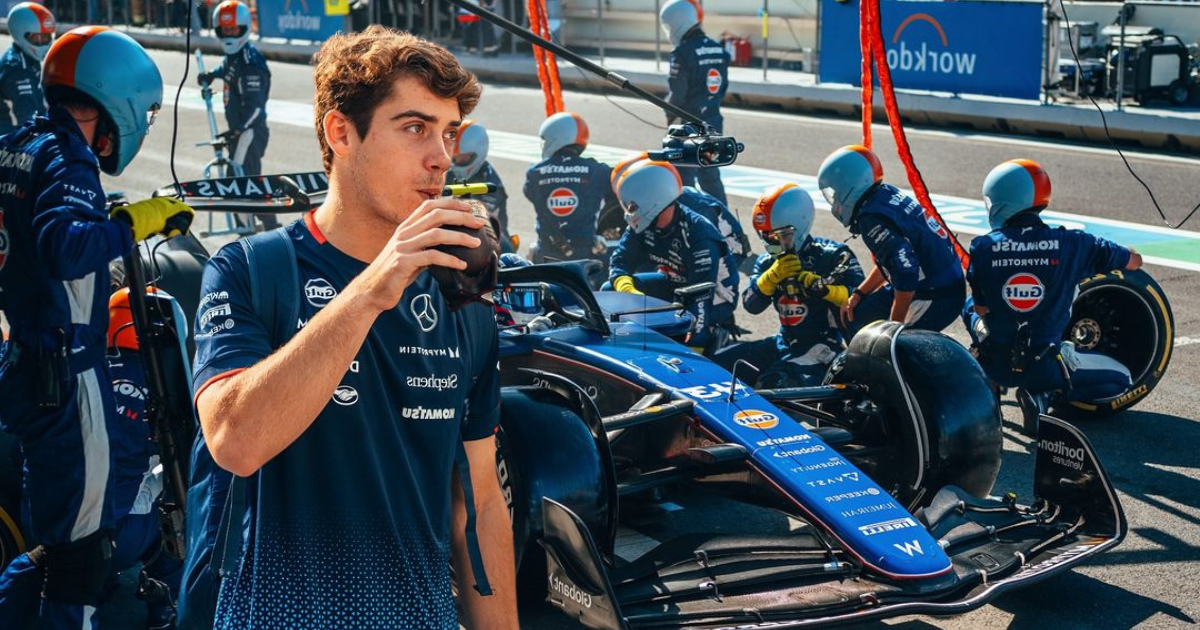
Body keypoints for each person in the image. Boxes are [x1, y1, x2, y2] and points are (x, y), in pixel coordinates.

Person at [185, 26, 517, 629]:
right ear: (342, 133)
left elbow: (478, 504)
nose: (442, 155)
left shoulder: (459, 294)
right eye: (415, 128)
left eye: (448, 133)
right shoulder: (249, 270)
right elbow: (235, 440)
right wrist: (370, 288)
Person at [0, 26, 192, 630]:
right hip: (69, 376)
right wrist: (137, 220)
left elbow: (37, 237)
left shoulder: (18, 145)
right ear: (118, 99)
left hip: (26, 364)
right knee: (85, 555)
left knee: (59, 542)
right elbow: (64, 248)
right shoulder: (68, 155)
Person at [964, 159, 1140, 434]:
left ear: (996, 201)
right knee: (1125, 378)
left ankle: (989, 388)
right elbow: (1134, 262)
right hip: (1046, 364)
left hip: (996, 359)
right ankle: (1044, 396)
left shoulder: (982, 247)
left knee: (970, 309)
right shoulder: (1075, 243)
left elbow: (981, 308)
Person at [714, 184, 864, 388]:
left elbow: (859, 301)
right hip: (782, 342)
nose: (766, 240)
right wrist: (772, 277)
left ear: (796, 226)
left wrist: (822, 288)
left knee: (771, 386)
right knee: (714, 367)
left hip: (822, 349)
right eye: (763, 234)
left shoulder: (834, 255)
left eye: (772, 235)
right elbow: (751, 305)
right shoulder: (769, 263)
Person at [817, 144, 965, 337]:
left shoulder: (870, 219)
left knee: (892, 352)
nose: (835, 200)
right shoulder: (884, 194)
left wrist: (893, 331)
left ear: (849, 186)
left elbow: (905, 273)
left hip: (937, 294)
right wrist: (858, 294)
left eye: (836, 192)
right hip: (935, 284)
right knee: (855, 318)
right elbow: (892, 260)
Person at [607, 160, 739, 355]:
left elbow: (700, 298)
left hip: (715, 297)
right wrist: (626, 288)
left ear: (652, 199)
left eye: (633, 205)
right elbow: (619, 262)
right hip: (675, 284)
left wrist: (694, 351)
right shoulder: (643, 222)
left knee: (679, 325)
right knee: (610, 291)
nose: (629, 211)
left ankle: (715, 335)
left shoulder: (699, 234)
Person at [197, 0, 276, 230]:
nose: (229, 34)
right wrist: (212, 75)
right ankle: (261, 228)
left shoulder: (251, 62)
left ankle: (258, 229)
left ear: (243, 28)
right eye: (225, 30)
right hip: (240, 132)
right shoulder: (235, 56)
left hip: (250, 132)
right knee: (245, 183)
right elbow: (228, 69)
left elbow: (256, 107)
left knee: (239, 183)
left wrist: (239, 130)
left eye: (233, 29)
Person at [612, 152, 751, 269]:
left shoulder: (695, 210)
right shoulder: (658, 204)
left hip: (723, 253)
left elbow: (702, 257)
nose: (630, 207)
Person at [660, 0, 730, 205]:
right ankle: (725, 225)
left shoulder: (681, 53)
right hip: (713, 123)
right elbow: (722, 88)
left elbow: (676, 96)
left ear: (677, 23)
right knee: (711, 179)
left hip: (687, 127)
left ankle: (689, 225)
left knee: (684, 181)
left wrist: (670, 120)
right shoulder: (718, 50)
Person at [524, 111, 615, 266]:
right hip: (585, 254)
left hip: (547, 253)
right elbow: (616, 196)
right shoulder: (598, 170)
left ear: (555, 137)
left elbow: (529, 193)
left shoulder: (535, 173)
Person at [451, 119, 513, 252]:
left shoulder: (491, 186)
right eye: (454, 157)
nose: (457, 162)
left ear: (478, 153)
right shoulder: (448, 171)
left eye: (463, 158)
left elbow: (479, 228)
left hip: (491, 243)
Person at [0, 3, 54, 135]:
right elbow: (28, 119)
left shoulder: (28, 58)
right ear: (20, 32)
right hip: (11, 140)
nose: (43, 43)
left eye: (46, 37)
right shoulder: (17, 69)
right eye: (37, 38)